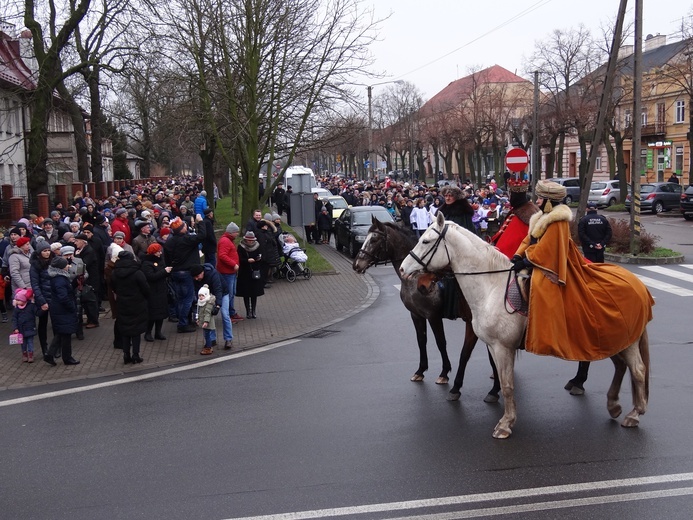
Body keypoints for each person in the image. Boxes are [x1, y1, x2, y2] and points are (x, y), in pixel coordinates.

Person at [511, 179, 653, 364]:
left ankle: (550, 333)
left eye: (540, 198)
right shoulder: (538, 217)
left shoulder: (558, 221)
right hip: (538, 259)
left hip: (555, 264)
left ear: (548, 201)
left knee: (541, 287)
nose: (536, 200)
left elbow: (547, 249)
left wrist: (526, 260)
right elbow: (528, 239)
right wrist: (516, 255)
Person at [164, 214, 206, 333]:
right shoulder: (187, 240)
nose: (185, 226)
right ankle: (183, 323)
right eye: (183, 225)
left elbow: (166, 258)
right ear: (181, 229)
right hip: (187, 272)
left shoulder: (170, 242)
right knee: (188, 299)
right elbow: (202, 235)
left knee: (180, 299)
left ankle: (184, 320)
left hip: (175, 272)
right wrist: (200, 222)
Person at [110, 250, 150, 364]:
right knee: (136, 330)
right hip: (137, 303)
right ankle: (136, 355)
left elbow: (113, 287)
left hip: (122, 303)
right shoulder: (137, 272)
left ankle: (126, 354)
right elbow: (145, 288)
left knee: (125, 330)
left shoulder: (115, 273)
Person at [45, 256, 80, 366]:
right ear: (61, 267)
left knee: (62, 333)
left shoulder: (59, 277)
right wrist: (71, 306)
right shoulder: (59, 279)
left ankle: (50, 355)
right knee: (66, 333)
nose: (68, 266)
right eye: (66, 265)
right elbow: (63, 296)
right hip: (63, 310)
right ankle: (67, 357)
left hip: (59, 309)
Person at [191, 263, 233, 350]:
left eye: (197, 276)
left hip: (222, 293)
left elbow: (218, 289)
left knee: (225, 315)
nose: (196, 278)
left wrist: (218, 305)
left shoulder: (213, 274)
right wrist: (200, 302)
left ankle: (228, 339)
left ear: (202, 272)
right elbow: (197, 291)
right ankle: (211, 339)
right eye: (194, 277)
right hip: (208, 295)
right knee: (209, 316)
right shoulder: (196, 279)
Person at [141, 243, 172, 342]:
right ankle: (148, 333)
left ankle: (158, 332)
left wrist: (167, 272)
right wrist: (164, 271)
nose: (160, 253)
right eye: (158, 251)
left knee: (161, 313)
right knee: (152, 314)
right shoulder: (146, 263)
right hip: (153, 291)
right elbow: (151, 277)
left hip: (162, 290)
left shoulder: (160, 260)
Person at [29, 240, 54, 356]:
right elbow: (35, 285)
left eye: (49, 250)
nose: (47, 253)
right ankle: (44, 348)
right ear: (39, 252)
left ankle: (56, 347)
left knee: (56, 323)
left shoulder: (54, 261)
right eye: (45, 251)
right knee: (43, 324)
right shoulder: (35, 266)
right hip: (43, 297)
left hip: (54, 297)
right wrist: (42, 301)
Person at [216, 222, 242, 323]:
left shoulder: (228, 240)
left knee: (232, 293)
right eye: (236, 232)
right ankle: (228, 315)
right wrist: (233, 264)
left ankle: (231, 312)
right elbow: (222, 256)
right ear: (231, 232)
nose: (237, 234)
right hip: (227, 272)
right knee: (228, 294)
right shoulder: (225, 241)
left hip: (230, 272)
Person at [236, 231, 264, 319]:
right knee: (246, 293)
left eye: (252, 240)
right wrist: (247, 260)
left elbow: (261, 257)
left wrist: (257, 259)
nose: (250, 242)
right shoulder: (241, 247)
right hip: (244, 271)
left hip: (254, 271)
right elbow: (239, 258)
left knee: (254, 292)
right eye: (249, 240)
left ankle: (254, 310)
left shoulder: (257, 246)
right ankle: (248, 310)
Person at [12, 288, 40, 363]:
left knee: (30, 342)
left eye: (19, 300)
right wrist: (15, 328)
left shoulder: (31, 306)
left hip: (30, 328)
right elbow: (14, 319)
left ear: (24, 300)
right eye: (16, 300)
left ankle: (30, 354)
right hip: (21, 329)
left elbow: (37, 312)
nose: (17, 302)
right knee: (23, 343)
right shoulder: (17, 309)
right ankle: (24, 354)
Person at [195, 284, 216, 355]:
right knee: (206, 334)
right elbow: (199, 311)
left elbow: (207, 313)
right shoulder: (200, 302)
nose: (200, 297)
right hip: (204, 321)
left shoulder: (208, 303)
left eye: (202, 295)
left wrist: (206, 321)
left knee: (207, 335)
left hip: (207, 323)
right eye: (199, 295)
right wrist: (198, 319)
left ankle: (208, 347)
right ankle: (208, 346)